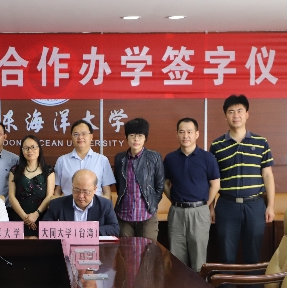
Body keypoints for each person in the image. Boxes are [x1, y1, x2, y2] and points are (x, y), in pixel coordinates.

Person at [210, 95, 275, 264]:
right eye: (231, 111)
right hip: (227, 205)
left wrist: (270, 206)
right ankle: (226, 283)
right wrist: (211, 207)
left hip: (255, 205)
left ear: (247, 114)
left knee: (253, 256)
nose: (236, 115)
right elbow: (211, 179)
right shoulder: (217, 145)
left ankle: (253, 283)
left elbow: (268, 175)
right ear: (225, 116)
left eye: (240, 111)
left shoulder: (261, 142)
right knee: (226, 256)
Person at [163, 118, 220, 272]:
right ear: (177, 134)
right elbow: (165, 184)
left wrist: (205, 204)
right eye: (182, 132)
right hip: (177, 212)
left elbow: (215, 184)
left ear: (197, 134)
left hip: (200, 212)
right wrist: (175, 200)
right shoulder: (170, 158)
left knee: (199, 260)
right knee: (176, 259)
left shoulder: (207, 158)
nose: (185, 136)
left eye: (189, 132)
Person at [113, 118, 164, 241]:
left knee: (149, 250)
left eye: (140, 136)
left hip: (147, 215)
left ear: (145, 138)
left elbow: (159, 186)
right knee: (125, 250)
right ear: (126, 137)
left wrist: (152, 204)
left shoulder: (154, 157)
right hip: (124, 216)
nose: (136, 139)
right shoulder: (120, 158)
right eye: (132, 135)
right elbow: (119, 185)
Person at [43, 169, 120, 236]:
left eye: (86, 191)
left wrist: (86, 231)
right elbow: (44, 228)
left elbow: (115, 229)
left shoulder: (105, 205)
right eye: (76, 190)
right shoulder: (57, 204)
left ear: (95, 189)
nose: (81, 196)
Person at [54, 119, 115, 199]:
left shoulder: (102, 160)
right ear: (71, 137)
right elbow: (57, 192)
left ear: (91, 136)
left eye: (84, 134)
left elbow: (107, 192)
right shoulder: (62, 161)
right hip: (68, 205)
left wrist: (101, 206)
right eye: (76, 134)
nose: (80, 137)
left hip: (95, 206)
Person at [8, 135, 55, 237]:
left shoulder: (48, 170)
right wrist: (25, 217)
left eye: (33, 147)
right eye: (26, 148)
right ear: (22, 151)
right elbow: (11, 197)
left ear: (39, 149)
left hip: (41, 216)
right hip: (19, 215)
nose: (30, 151)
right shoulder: (15, 170)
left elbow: (49, 196)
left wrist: (36, 214)